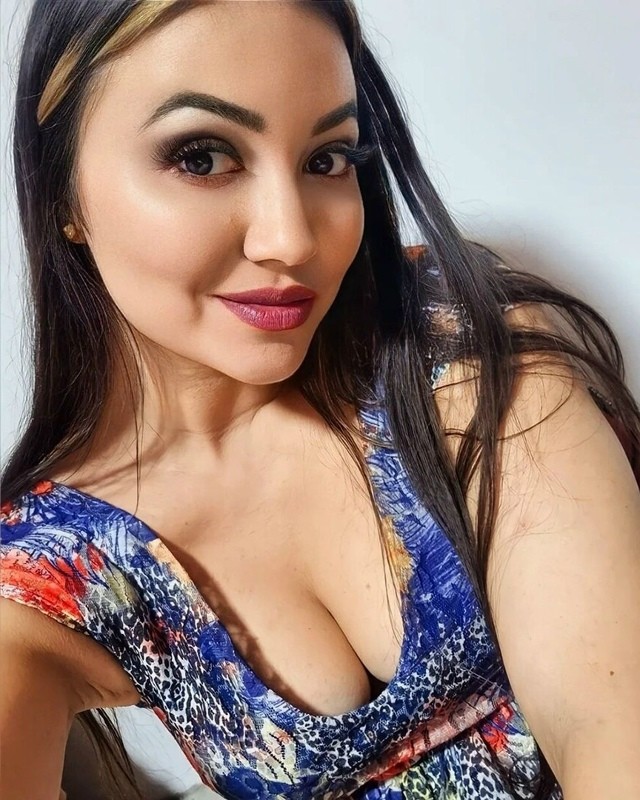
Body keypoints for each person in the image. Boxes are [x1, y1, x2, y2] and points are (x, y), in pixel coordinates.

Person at [1, 1, 639, 798]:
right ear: (63, 193)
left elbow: (608, 727)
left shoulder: (450, 345)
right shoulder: (52, 572)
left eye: (327, 159)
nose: (293, 238)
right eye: (202, 156)